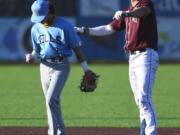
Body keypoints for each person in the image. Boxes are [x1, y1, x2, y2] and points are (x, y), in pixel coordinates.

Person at [75, 0, 159, 135]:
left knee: (144, 98)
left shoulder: (145, 4)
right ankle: (144, 131)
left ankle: (151, 133)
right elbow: (108, 29)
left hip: (146, 55)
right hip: (132, 58)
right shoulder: (127, 10)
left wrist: (126, 13)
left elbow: (144, 12)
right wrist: (84, 30)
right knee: (139, 99)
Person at [26, 0, 94, 135]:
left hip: (61, 66)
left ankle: (53, 133)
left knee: (50, 99)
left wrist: (86, 69)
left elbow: (77, 50)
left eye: (42, 16)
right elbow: (37, 50)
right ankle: (60, 132)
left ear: (49, 12)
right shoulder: (36, 28)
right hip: (44, 66)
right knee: (52, 101)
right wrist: (32, 56)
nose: (39, 20)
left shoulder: (65, 26)